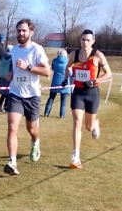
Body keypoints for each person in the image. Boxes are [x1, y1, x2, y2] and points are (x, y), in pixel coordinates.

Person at [4, 19, 50, 175]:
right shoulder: (14, 50)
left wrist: (28, 66)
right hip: (15, 93)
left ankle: (35, 141)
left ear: (31, 32)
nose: (21, 33)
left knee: (31, 128)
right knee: (12, 128)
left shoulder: (37, 49)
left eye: (24, 30)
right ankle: (12, 162)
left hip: (32, 96)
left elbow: (47, 72)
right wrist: (11, 74)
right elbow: (15, 69)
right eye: (18, 30)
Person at [64, 29, 112, 169]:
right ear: (80, 40)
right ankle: (76, 156)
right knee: (77, 122)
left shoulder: (98, 55)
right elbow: (68, 67)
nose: (85, 42)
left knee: (88, 127)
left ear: (93, 41)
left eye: (88, 40)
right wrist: (67, 77)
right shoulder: (74, 54)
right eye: (83, 39)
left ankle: (95, 124)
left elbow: (108, 74)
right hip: (78, 92)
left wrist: (94, 81)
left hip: (92, 93)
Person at [44, 49, 70, 118]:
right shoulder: (68, 61)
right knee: (63, 100)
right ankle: (62, 115)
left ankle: (46, 113)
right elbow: (70, 72)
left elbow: (53, 68)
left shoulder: (54, 61)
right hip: (64, 83)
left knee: (51, 98)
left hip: (55, 82)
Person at [0, 45, 13, 113]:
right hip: (8, 76)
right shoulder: (11, 57)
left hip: (1, 75)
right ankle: (6, 107)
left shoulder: (2, 56)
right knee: (8, 92)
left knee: (3, 92)